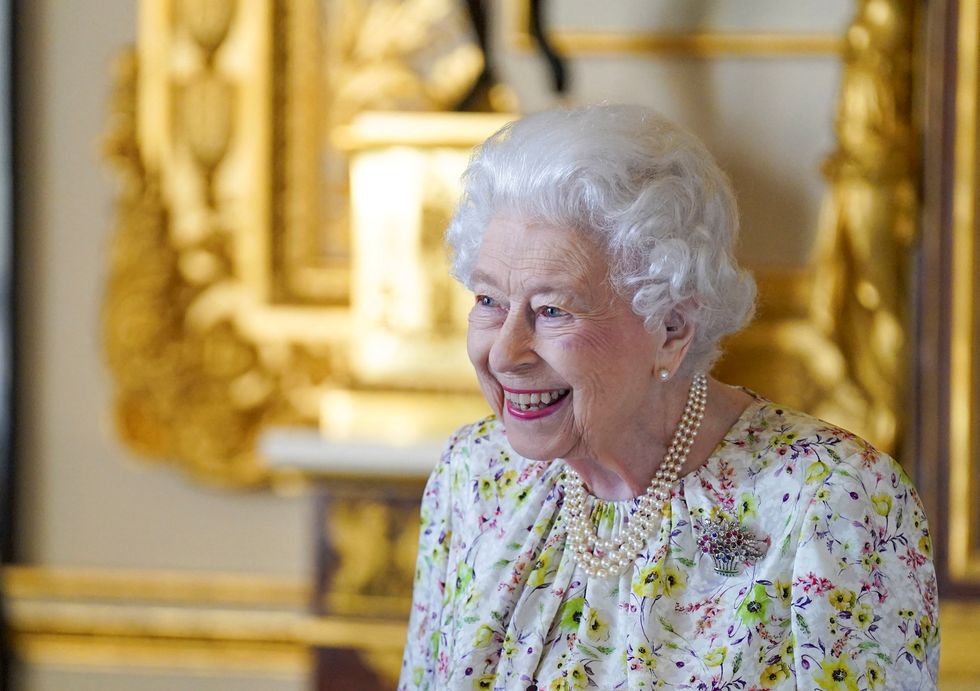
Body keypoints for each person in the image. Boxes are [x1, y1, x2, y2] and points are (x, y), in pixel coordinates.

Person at [398, 104, 939, 690]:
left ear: (671, 329)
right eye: (488, 302)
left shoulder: (832, 503)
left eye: (552, 310)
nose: (504, 354)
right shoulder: (474, 477)